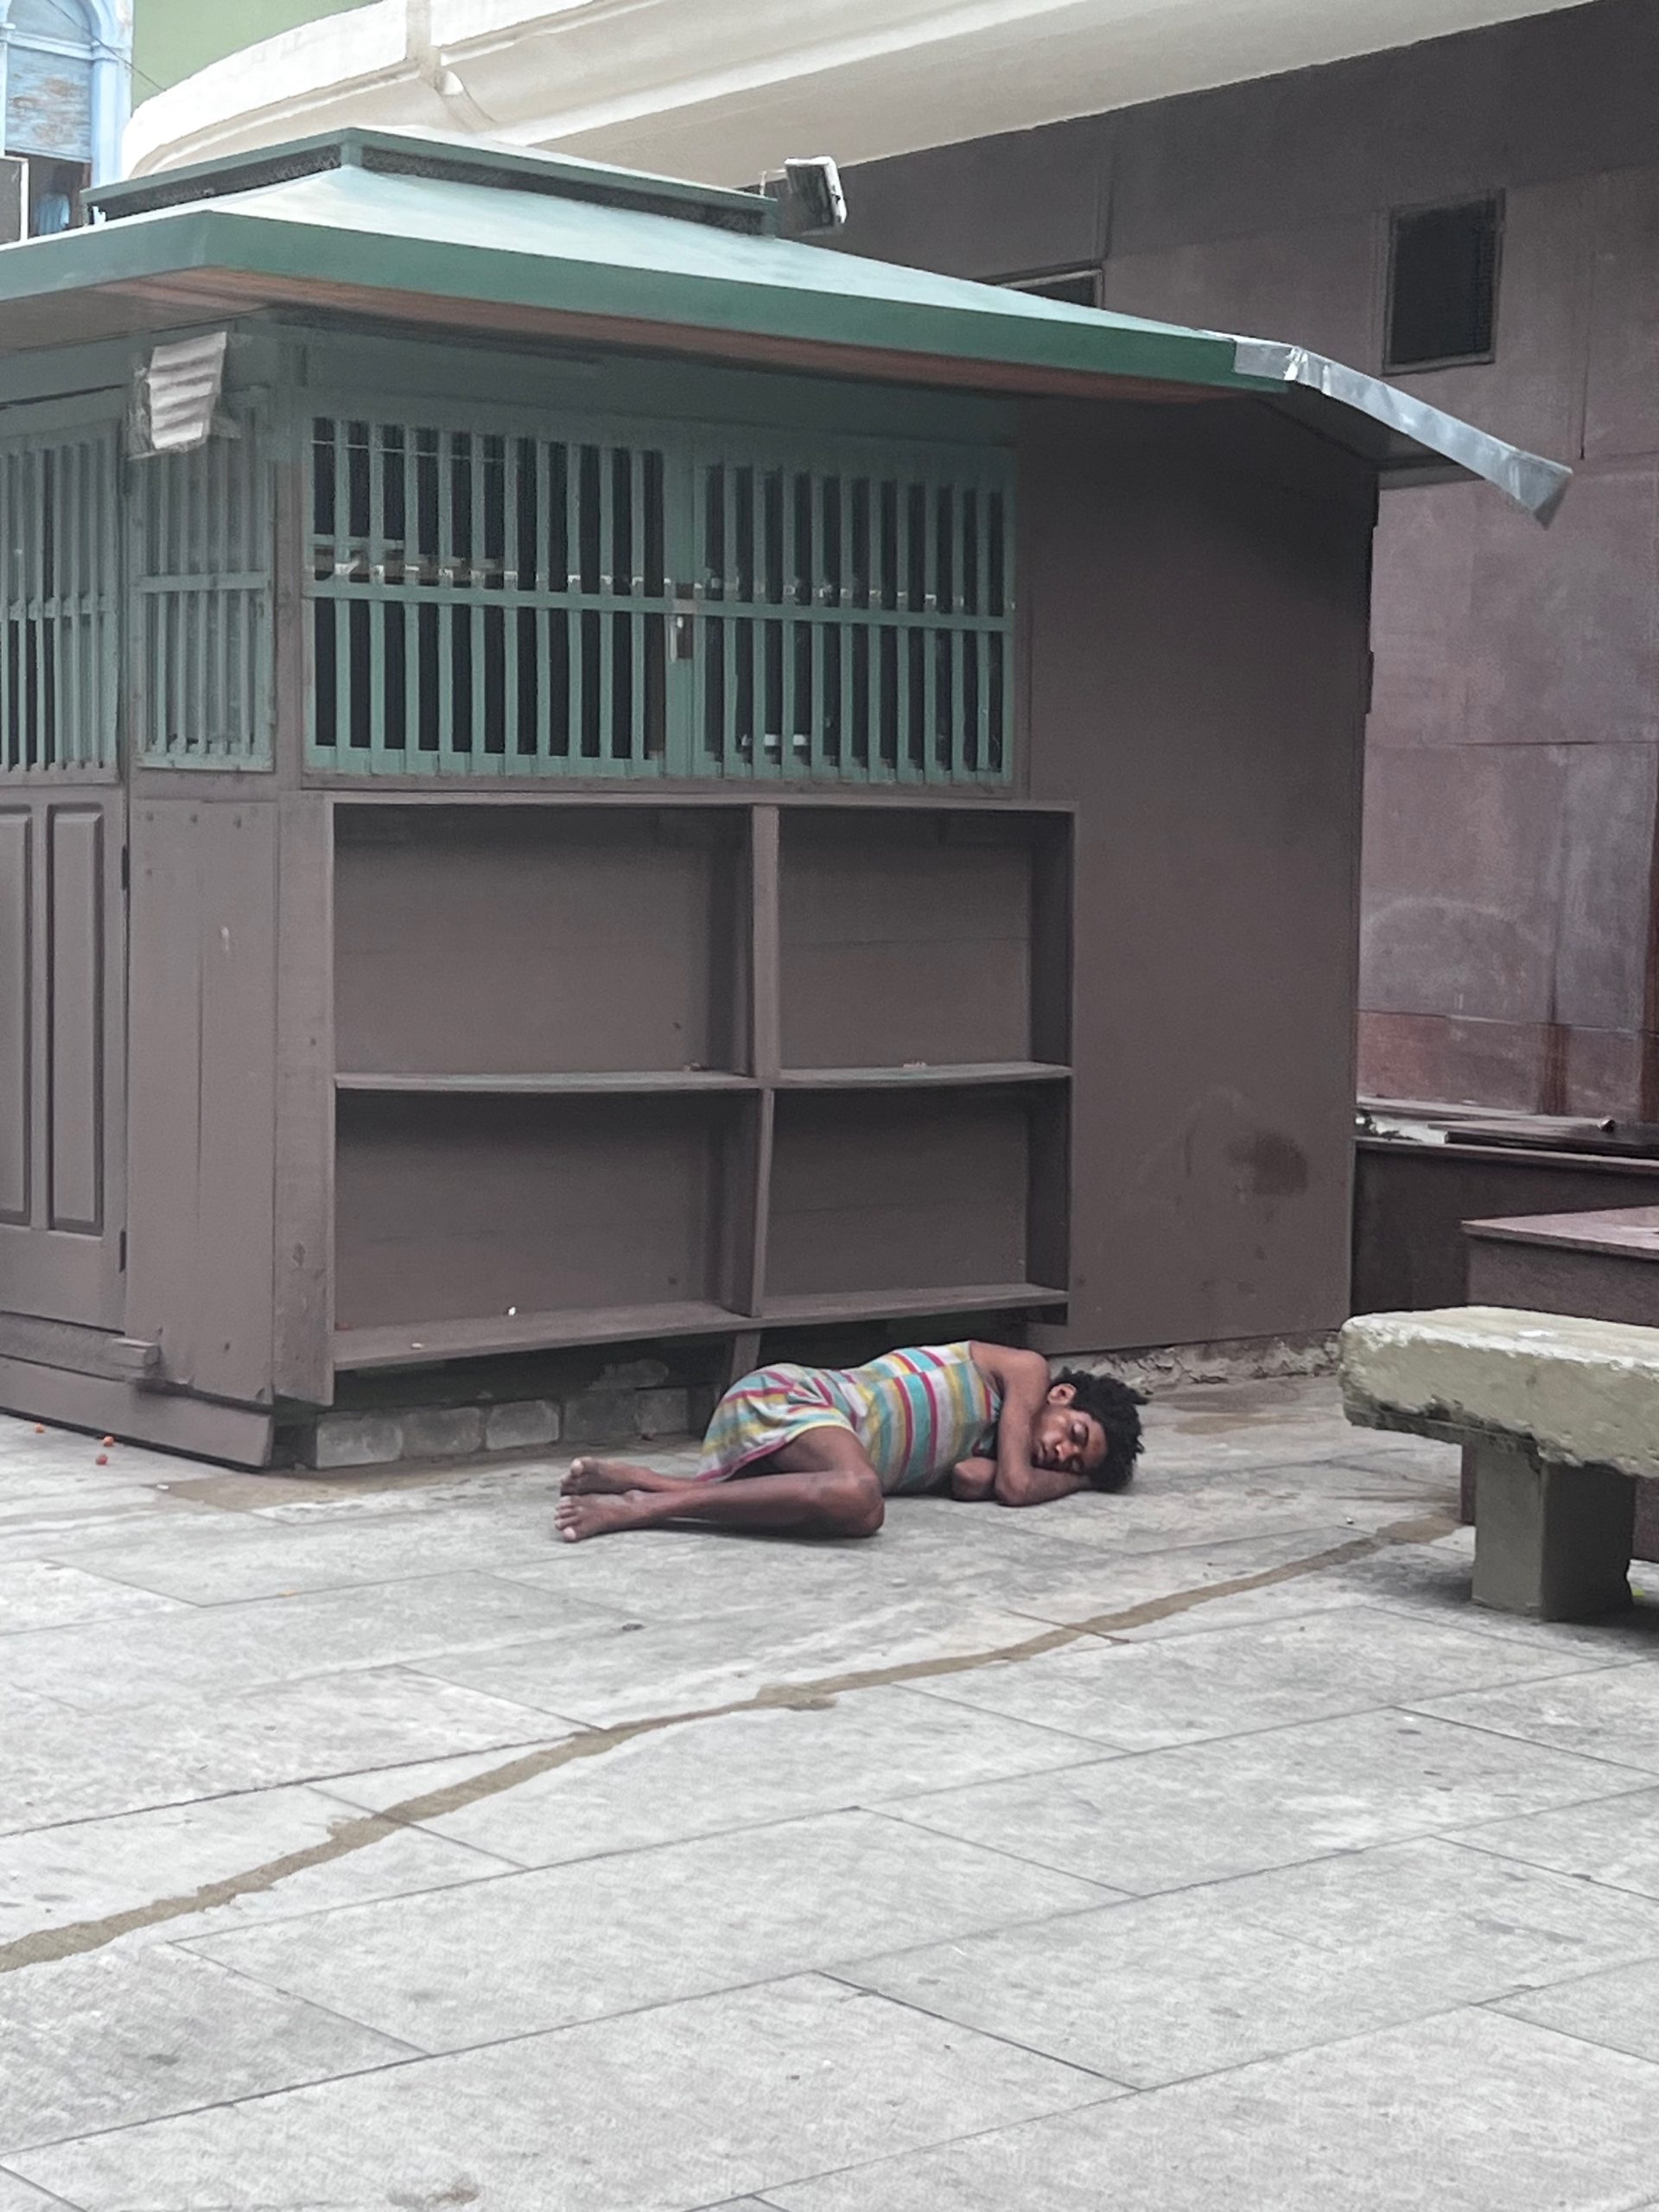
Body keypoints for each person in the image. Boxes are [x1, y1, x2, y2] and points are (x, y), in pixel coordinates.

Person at [555, 1340, 1144, 1543]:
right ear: (1061, 1395)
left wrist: (1064, 1474)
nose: (1062, 1455)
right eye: (1075, 1435)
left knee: (858, 1510)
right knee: (862, 1494)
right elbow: (1014, 1486)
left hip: (809, 1444)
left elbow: (973, 1480)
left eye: (1074, 1462)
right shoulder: (1027, 1371)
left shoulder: (996, 1445)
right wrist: (1083, 1482)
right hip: (793, 1396)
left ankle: (650, 1483)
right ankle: (647, 1509)